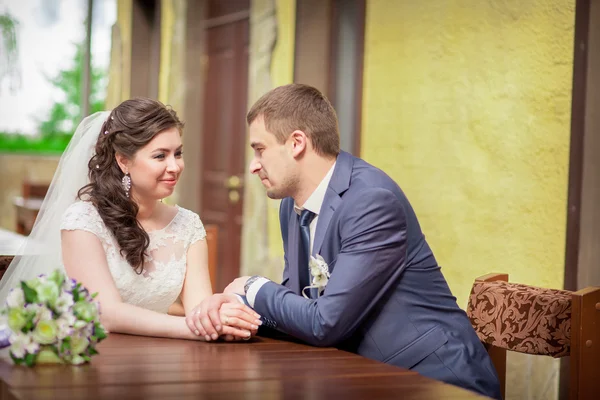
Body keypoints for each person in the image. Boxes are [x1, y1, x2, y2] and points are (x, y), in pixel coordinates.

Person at [187, 84, 502, 399]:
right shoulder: (291, 203)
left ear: (296, 143)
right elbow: (298, 305)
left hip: (435, 379)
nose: (254, 165)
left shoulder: (371, 201)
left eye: (260, 149)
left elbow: (324, 323)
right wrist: (237, 309)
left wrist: (251, 286)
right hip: (357, 373)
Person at [0, 98, 260, 342]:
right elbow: (107, 313)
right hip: (95, 356)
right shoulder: (83, 221)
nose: (175, 166)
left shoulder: (188, 225)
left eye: (178, 153)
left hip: (163, 359)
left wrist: (222, 318)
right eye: (160, 156)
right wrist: (192, 327)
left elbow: (200, 310)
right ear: (124, 161)